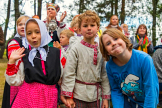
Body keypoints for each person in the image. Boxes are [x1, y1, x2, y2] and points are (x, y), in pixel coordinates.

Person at [5, 18, 61, 107]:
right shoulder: (25, 55)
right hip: (27, 97)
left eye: (37, 32)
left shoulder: (56, 52)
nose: (33, 36)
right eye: (29, 33)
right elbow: (15, 81)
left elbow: (64, 75)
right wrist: (12, 62)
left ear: (43, 31)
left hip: (49, 97)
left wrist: (67, 94)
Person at [61, 10, 111, 108]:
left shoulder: (101, 49)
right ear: (79, 29)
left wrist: (105, 98)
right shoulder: (75, 48)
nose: (89, 28)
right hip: (78, 95)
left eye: (92, 25)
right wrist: (68, 95)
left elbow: (104, 74)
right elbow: (69, 72)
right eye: (85, 26)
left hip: (96, 96)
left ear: (98, 28)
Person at [99, 28, 159, 108]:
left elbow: (151, 90)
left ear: (124, 39)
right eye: (108, 43)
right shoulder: (110, 65)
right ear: (106, 51)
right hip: (128, 101)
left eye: (116, 38)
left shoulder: (144, 59)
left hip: (147, 101)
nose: (113, 43)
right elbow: (116, 90)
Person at [2, 15, 30, 108]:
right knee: (14, 101)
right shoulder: (14, 42)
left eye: (25, 24)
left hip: (27, 79)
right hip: (16, 77)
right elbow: (15, 61)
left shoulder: (32, 42)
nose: (22, 26)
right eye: (20, 24)